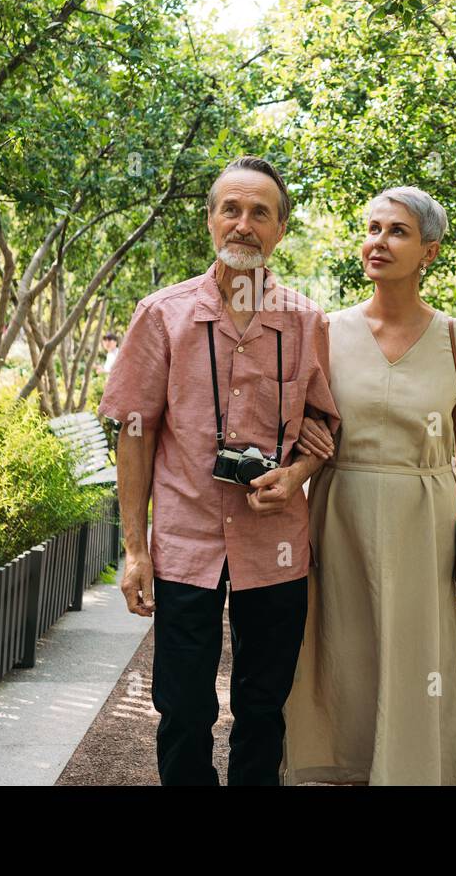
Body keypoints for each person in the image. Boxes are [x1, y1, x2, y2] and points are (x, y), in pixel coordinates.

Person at [98, 154, 341, 786]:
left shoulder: (305, 320)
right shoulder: (162, 315)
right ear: (210, 219)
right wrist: (134, 549)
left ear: (281, 229)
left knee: (263, 708)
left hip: (277, 544)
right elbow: (133, 432)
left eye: (260, 212)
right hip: (185, 542)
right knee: (182, 706)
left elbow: (325, 425)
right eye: (230, 208)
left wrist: (295, 475)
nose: (243, 224)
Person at [280, 186, 456, 786]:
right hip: (339, 511)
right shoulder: (326, 330)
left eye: (397, 231)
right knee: (342, 647)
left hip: (424, 520)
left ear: (429, 252)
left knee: (415, 656)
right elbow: (304, 428)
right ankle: (343, 764)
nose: (377, 241)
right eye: (372, 227)